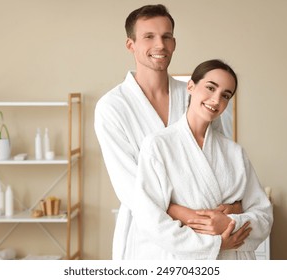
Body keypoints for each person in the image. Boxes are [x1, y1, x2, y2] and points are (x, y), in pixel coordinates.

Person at [94, 4, 243, 259]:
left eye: (166, 36)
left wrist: (232, 207)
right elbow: (130, 188)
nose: (160, 45)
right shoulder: (112, 107)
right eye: (148, 36)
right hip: (149, 237)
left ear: (174, 43)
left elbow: (217, 158)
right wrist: (193, 217)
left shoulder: (194, 94)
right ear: (131, 45)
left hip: (207, 228)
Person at [127, 59, 273, 259]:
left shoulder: (235, 152)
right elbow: (150, 218)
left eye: (225, 95)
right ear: (191, 86)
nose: (216, 100)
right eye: (210, 88)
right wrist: (215, 244)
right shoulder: (158, 145)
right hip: (184, 260)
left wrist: (230, 222)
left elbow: (264, 216)